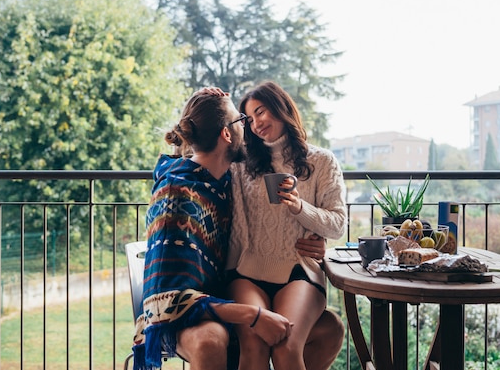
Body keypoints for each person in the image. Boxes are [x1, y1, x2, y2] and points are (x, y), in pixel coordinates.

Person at [132, 88, 344, 370]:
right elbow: (197, 143)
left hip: (283, 274)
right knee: (247, 341)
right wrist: (253, 315)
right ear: (228, 134)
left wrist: (305, 220)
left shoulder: (223, 174)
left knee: (308, 336)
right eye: (243, 118)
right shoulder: (199, 186)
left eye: (258, 114)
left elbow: (202, 137)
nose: (251, 124)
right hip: (215, 291)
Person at [227, 81, 347, 370]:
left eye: (261, 112)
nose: (256, 123)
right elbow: (196, 150)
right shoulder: (241, 163)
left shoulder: (322, 161)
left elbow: (338, 225)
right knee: (253, 343)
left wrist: (299, 208)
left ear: (282, 109)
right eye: (249, 118)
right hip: (248, 269)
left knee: (287, 346)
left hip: (298, 268)